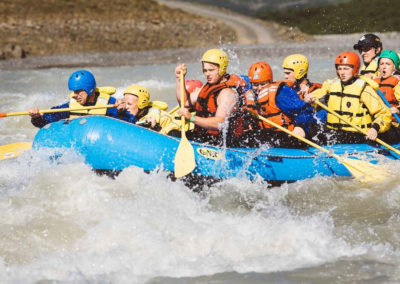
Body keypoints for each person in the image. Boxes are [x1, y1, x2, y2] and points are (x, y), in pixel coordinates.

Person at [305, 51, 392, 144]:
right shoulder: (331, 85)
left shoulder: (364, 89)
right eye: (340, 69)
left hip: (357, 135)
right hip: (333, 134)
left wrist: (375, 129)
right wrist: (310, 99)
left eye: (346, 69)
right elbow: (318, 95)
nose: (342, 72)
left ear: (355, 69)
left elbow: (384, 114)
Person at [175, 48, 247, 146]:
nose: (207, 74)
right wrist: (180, 79)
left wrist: (191, 118)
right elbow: (185, 102)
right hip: (203, 137)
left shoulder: (228, 93)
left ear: (222, 68)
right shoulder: (208, 87)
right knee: (172, 134)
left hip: (224, 144)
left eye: (211, 70)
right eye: (205, 70)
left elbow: (220, 123)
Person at [244, 61, 314, 148]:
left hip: (287, 136)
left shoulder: (280, 93)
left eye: (263, 84)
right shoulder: (249, 94)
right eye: (255, 85)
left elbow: (305, 109)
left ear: (270, 81)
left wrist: (300, 127)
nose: (259, 88)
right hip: (266, 136)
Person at [29, 70, 121, 128]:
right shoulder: (70, 106)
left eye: (78, 91)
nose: (74, 95)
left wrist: (121, 111)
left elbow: (127, 124)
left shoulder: (110, 104)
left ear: (89, 89)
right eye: (74, 92)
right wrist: (37, 118)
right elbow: (46, 121)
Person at [373, 50, 400, 143]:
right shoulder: (373, 83)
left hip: (394, 125)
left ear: (394, 68)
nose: (384, 67)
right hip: (377, 122)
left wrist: (398, 110)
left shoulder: (397, 83)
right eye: (381, 64)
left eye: (388, 64)